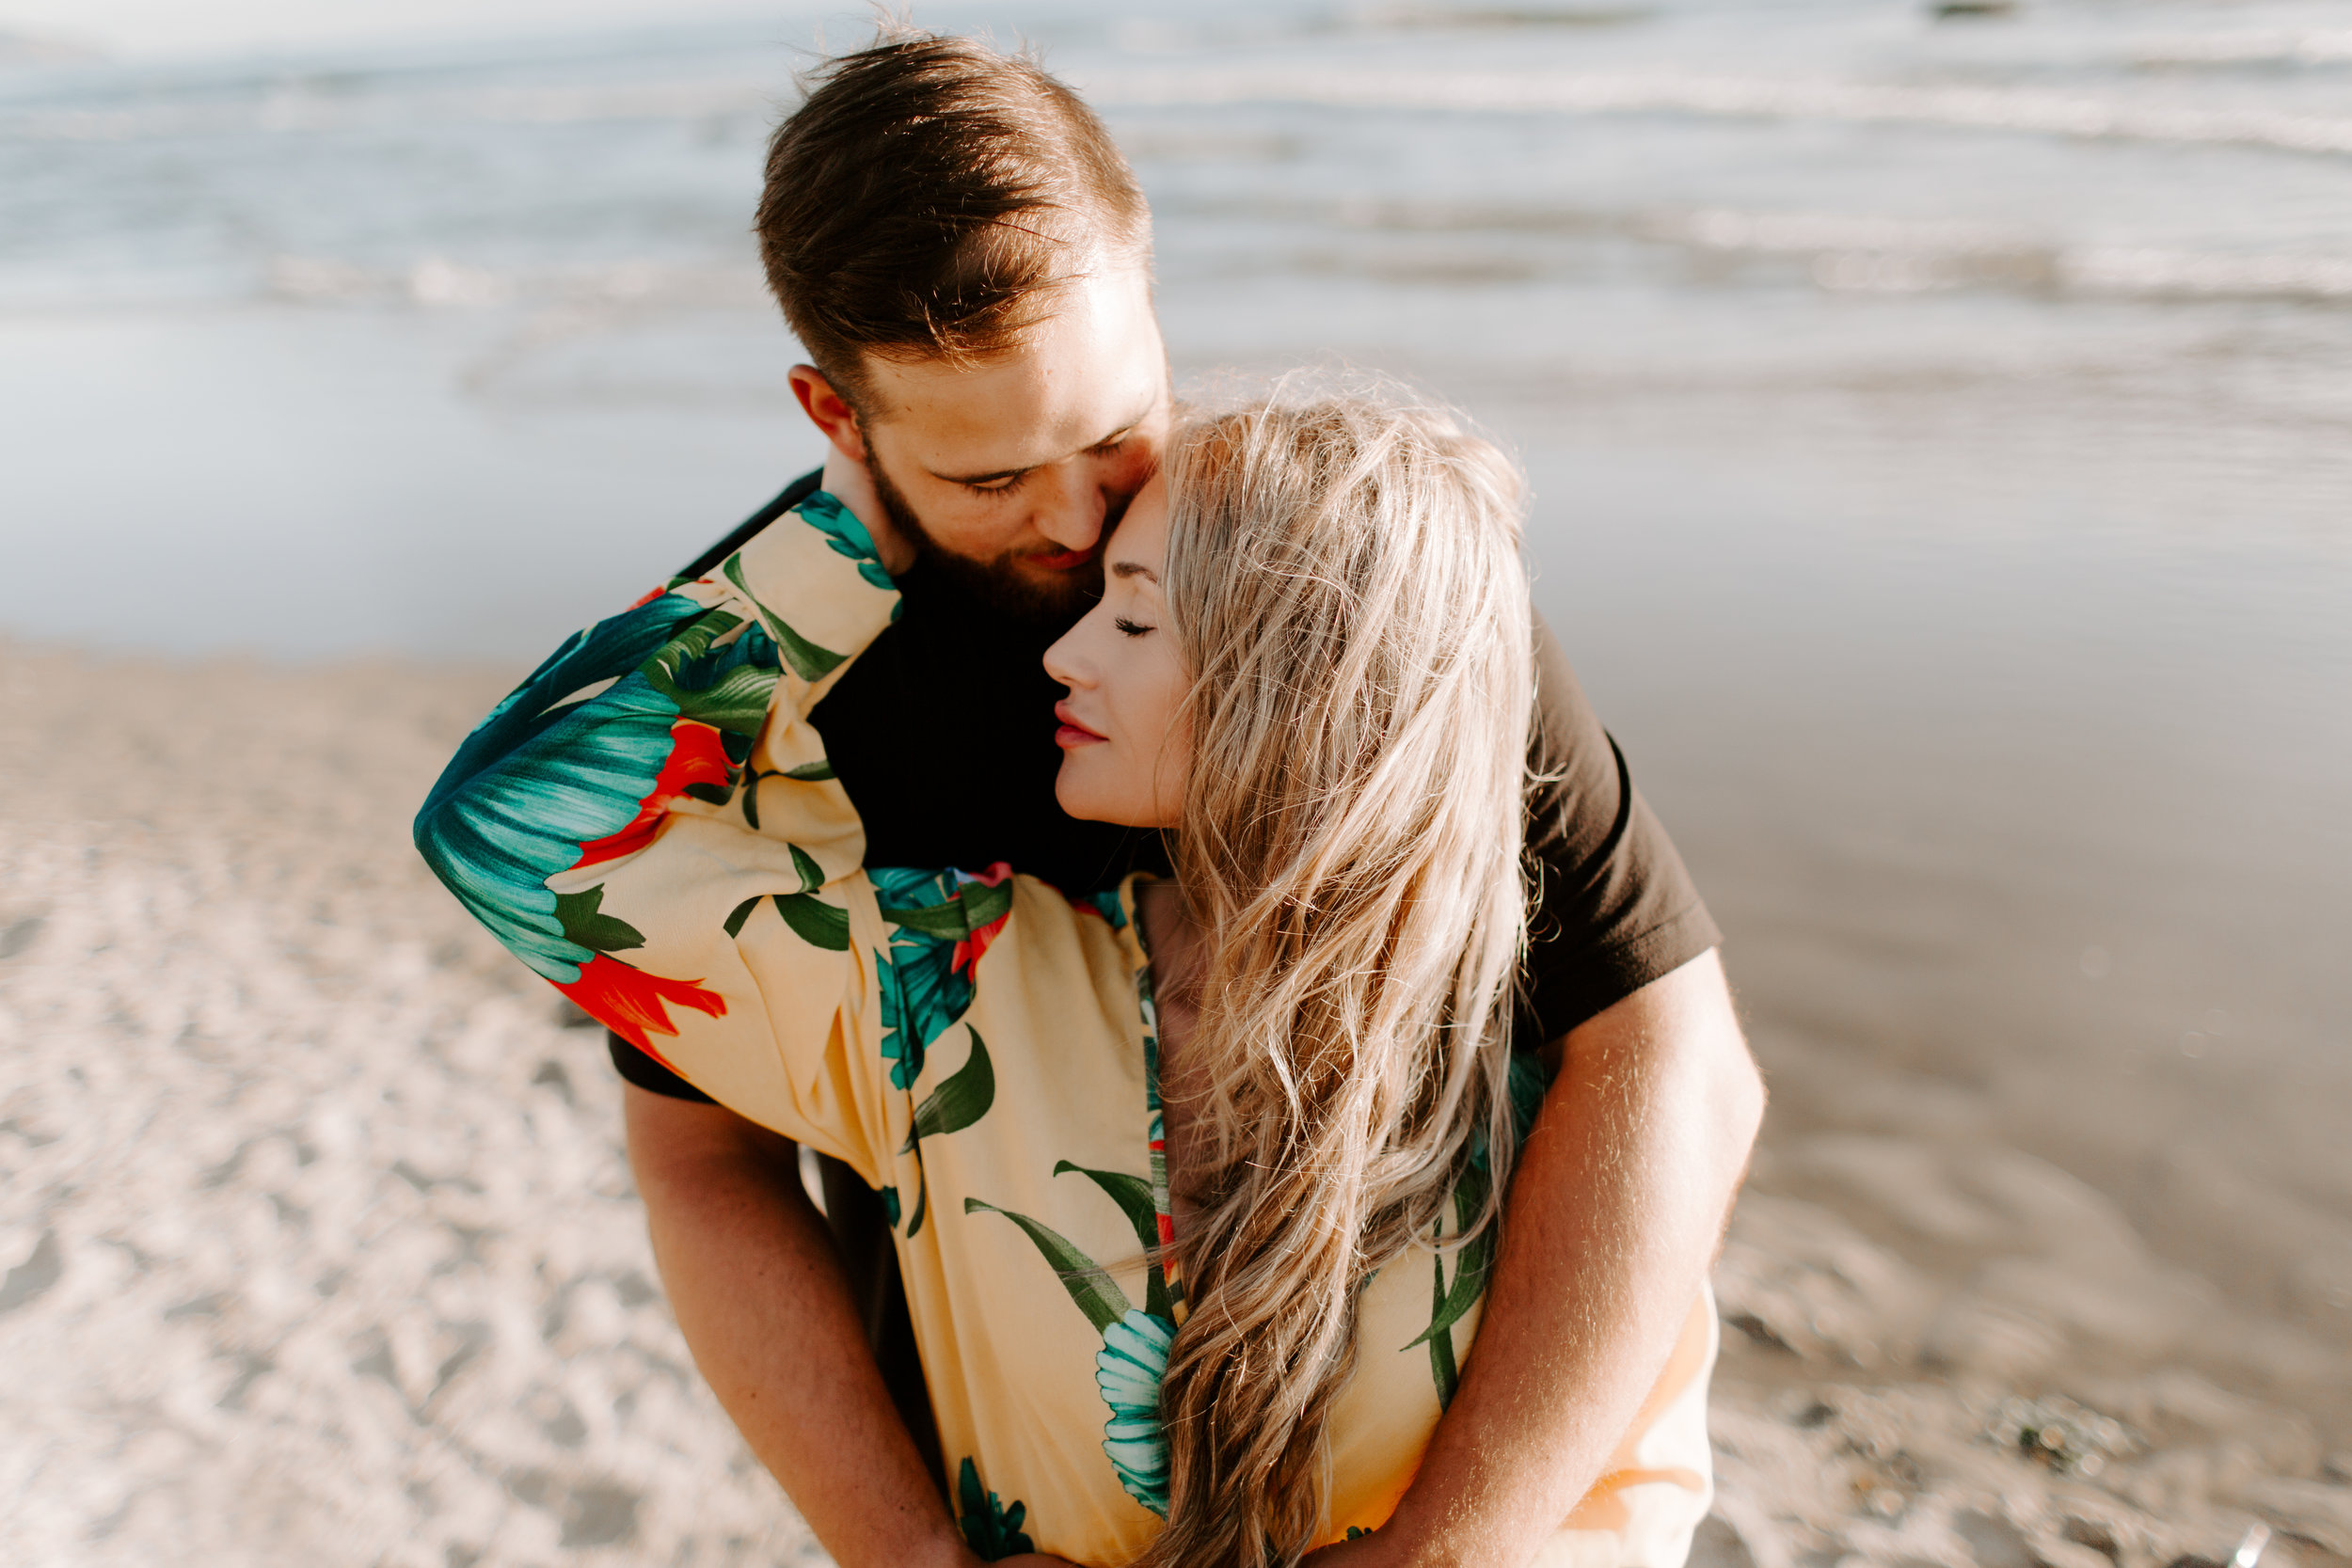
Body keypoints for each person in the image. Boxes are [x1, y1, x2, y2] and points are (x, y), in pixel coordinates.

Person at [419, 27, 1764, 1568]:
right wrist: (909, 1555)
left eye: (1113, 429)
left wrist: (1453, 1546)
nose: (1074, 520)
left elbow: (1670, 1055)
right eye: (988, 478)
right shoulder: (792, 687)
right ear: (834, 420)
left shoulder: (1335, 598)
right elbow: (703, 1160)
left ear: (1150, 299)